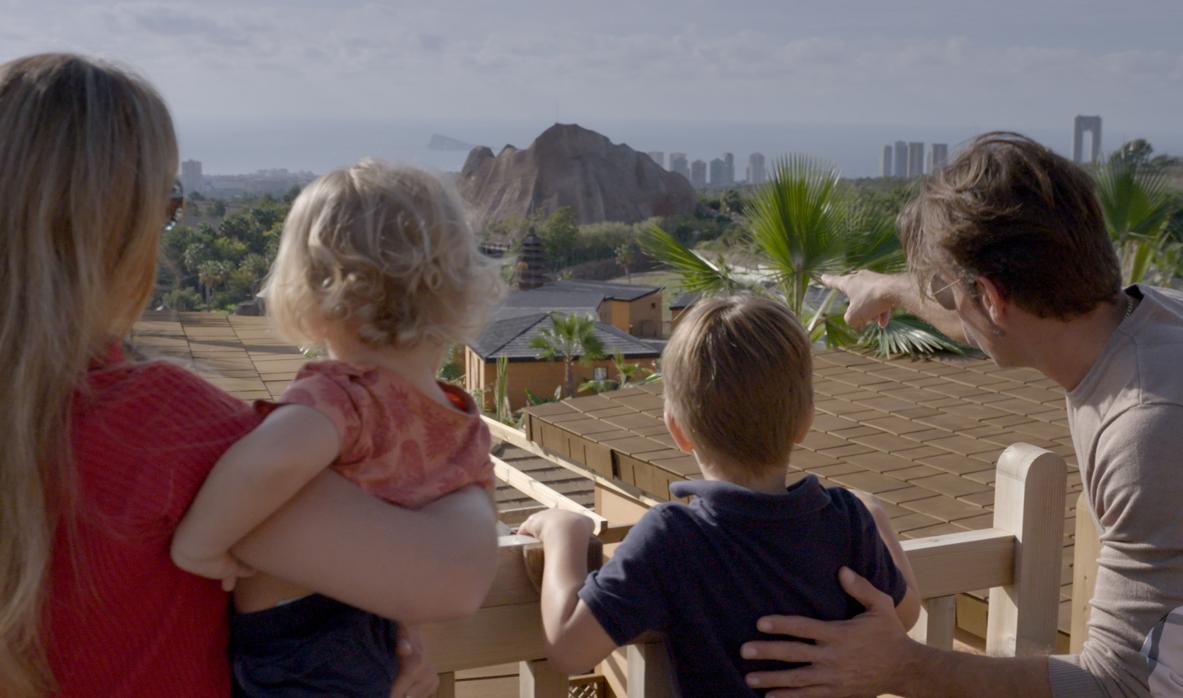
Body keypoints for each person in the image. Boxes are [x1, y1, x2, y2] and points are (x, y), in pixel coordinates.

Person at [0, 53, 498, 698]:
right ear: (120, 227)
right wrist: (468, 473)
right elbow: (451, 580)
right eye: (169, 207)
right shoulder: (161, 427)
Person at [741, 132, 1183, 698]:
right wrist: (894, 288)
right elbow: (983, 312)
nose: (945, 302)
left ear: (991, 296)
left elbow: (1123, 687)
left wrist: (899, 666)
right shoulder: (1158, 319)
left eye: (946, 290)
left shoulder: (1155, 428)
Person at [172, 159, 504, 696]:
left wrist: (200, 543)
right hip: (374, 639)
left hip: (298, 649)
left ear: (310, 290)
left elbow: (273, 459)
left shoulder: (344, 396)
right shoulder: (457, 419)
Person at [519, 296, 921, 697]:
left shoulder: (672, 538)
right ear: (805, 420)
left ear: (677, 431)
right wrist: (874, 513)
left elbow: (571, 649)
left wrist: (563, 533)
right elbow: (904, 614)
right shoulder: (846, 520)